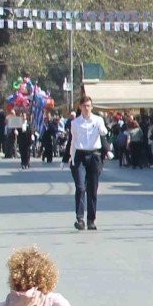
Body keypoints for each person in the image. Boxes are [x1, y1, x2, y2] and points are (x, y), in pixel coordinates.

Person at [66, 96, 105, 227]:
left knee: (92, 189)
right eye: (84, 106)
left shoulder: (98, 120)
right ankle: (80, 219)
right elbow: (72, 141)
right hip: (80, 156)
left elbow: (103, 133)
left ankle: (91, 220)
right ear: (80, 107)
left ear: (92, 107)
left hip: (94, 155)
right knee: (80, 187)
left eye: (89, 106)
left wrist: (103, 130)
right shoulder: (75, 123)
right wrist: (69, 158)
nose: (87, 108)